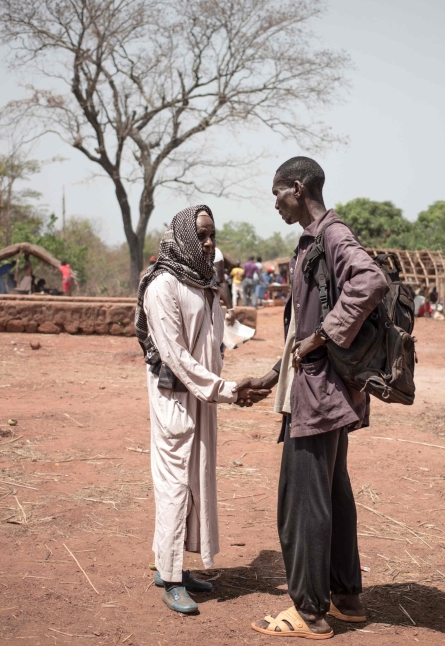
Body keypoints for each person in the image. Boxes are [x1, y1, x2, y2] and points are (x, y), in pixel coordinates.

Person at [246, 157, 388, 639]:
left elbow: (370, 281)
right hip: (321, 390)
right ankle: (346, 599)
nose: (276, 202)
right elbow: (301, 328)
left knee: (302, 501)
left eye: (278, 192)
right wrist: (273, 373)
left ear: (298, 188)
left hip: (319, 394)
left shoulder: (331, 234)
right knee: (333, 494)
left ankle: (308, 612)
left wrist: (323, 337)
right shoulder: (313, 239)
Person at [136, 205, 269, 615]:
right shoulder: (162, 287)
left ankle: (172, 565)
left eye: (212, 235)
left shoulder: (204, 282)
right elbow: (175, 356)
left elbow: (212, 345)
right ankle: (171, 579)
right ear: (184, 237)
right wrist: (229, 390)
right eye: (203, 235)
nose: (210, 244)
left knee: (197, 482)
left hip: (204, 398)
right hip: (176, 399)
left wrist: (227, 386)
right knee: (175, 486)